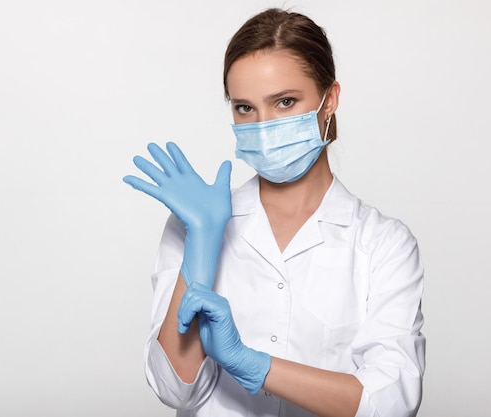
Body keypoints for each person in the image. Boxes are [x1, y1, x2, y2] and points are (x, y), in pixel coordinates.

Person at [123, 8, 425, 417]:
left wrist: (255, 365)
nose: (263, 126)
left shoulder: (382, 244)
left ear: (329, 99)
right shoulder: (196, 223)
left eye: (284, 102)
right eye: (245, 108)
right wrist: (205, 240)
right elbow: (173, 389)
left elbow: (392, 401)